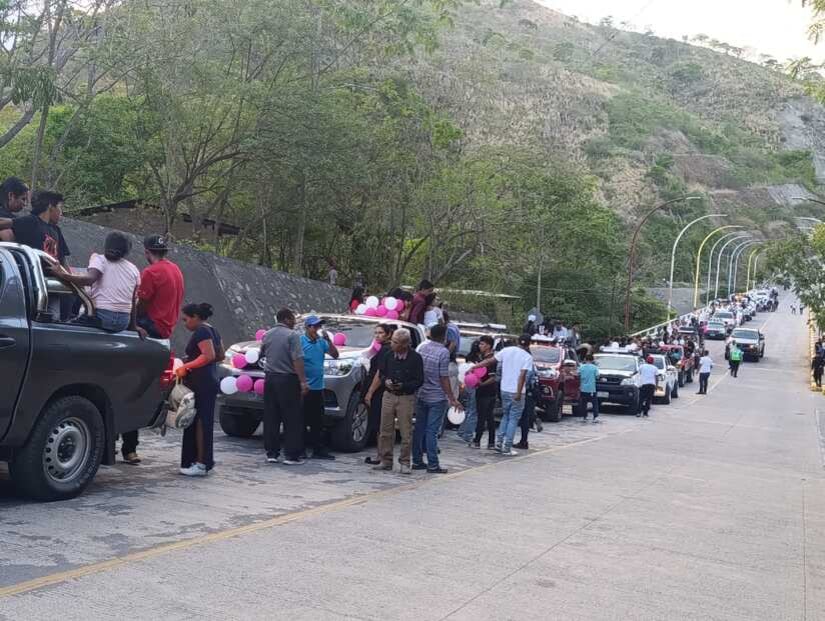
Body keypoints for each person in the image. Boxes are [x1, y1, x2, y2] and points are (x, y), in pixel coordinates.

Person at [120, 235, 184, 465]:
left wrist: (132, 323)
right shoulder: (175, 270)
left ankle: (127, 446)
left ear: (147, 252)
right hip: (165, 331)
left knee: (125, 386)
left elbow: (142, 305)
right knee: (141, 389)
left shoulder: (151, 273)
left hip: (150, 329)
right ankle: (130, 449)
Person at [53, 232, 140, 332]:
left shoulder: (99, 259)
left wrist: (61, 274)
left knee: (63, 329)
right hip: (123, 322)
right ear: (127, 252)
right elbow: (133, 300)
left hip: (103, 317)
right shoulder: (133, 269)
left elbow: (89, 280)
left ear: (106, 245)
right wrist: (133, 326)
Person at [365, 328, 423, 474]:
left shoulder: (415, 358)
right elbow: (382, 374)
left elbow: (419, 380)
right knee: (385, 430)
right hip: (389, 395)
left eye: (396, 342)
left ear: (405, 344)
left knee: (405, 431)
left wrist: (404, 385)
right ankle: (386, 460)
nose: (392, 344)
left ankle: (404, 462)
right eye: (393, 341)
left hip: (405, 397)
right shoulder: (388, 354)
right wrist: (386, 382)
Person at [175, 303, 223, 476]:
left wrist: (187, 365)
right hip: (209, 379)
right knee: (201, 421)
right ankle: (202, 460)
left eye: (186, 319)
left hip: (201, 381)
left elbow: (208, 355)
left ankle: (201, 463)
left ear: (195, 316)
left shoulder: (202, 331)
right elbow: (220, 355)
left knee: (200, 422)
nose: (184, 323)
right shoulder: (213, 330)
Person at [261, 308, 309, 465]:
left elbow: (262, 354)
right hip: (288, 380)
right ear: (287, 319)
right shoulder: (292, 335)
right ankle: (291, 455)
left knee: (271, 417)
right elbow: (297, 360)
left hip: (270, 379)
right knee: (292, 418)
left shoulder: (267, 334)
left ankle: (272, 453)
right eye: (293, 319)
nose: (295, 322)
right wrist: (302, 381)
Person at [412, 324, 462, 473]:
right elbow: (444, 378)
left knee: (419, 429)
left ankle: (417, 460)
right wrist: (452, 398)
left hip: (421, 393)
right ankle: (433, 464)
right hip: (436, 396)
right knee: (432, 431)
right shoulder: (443, 352)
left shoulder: (421, 347)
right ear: (444, 336)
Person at [472, 334, 533, 456]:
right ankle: (507, 446)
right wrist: (518, 392)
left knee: (505, 416)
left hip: (504, 389)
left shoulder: (507, 350)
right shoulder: (527, 357)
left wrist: (475, 366)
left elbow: (490, 361)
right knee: (513, 419)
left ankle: (499, 443)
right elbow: (522, 376)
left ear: (518, 341)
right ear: (528, 344)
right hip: (517, 391)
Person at [301, 315, 339, 460]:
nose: (317, 329)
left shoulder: (321, 342)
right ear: (308, 327)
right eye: (314, 326)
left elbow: (335, 355)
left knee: (318, 421)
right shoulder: (300, 341)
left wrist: (328, 341)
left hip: (318, 387)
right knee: (302, 420)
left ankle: (318, 449)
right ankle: (301, 448)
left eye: (318, 326)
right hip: (305, 387)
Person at [0, 191, 67, 263]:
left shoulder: (56, 230)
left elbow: (63, 261)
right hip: (33, 271)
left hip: (53, 274)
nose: (61, 212)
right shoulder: (32, 221)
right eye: (59, 207)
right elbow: (5, 223)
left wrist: (66, 274)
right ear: (50, 206)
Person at [363, 323, 393, 465]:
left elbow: (379, 373)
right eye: (376, 333)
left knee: (380, 424)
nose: (377, 335)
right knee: (379, 424)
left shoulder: (385, 350)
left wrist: (370, 392)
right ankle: (380, 455)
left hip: (379, 392)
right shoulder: (382, 349)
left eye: (380, 333)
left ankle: (382, 456)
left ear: (388, 334)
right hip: (379, 390)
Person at [471, 335, 498, 449]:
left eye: (482, 344)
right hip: (487, 391)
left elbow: (493, 378)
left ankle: (477, 440)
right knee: (489, 416)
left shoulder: (490, 360)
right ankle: (491, 442)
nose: (480, 346)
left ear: (488, 346)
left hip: (486, 391)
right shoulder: (483, 358)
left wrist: (481, 384)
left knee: (483, 417)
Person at [457, 339, 481, 444]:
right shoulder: (476, 364)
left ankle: (462, 431)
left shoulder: (466, 362)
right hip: (473, 387)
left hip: (464, 387)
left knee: (468, 410)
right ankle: (467, 434)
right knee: (473, 411)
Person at [514, 366, 538, 449]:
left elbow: (526, 381)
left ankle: (524, 441)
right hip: (528, 393)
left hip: (527, 393)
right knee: (525, 417)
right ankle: (523, 440)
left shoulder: (528, 365)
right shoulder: (530, 364)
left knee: (524, 417)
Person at [443, 311, 461, 399]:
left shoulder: (449, 328)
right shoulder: (453, 326)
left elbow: (453, 343)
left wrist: (445, 355)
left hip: (450, 361)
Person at [579, 354, 600, 422]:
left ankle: (584, 417)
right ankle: (595, 417)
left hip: (583, 388)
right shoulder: (594, 368)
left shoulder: (581, 367)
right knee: (594, 403)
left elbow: (577, 374)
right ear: (592, 360)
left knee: (584, 403)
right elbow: (597, 376)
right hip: (592, 389)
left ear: (585, 359)